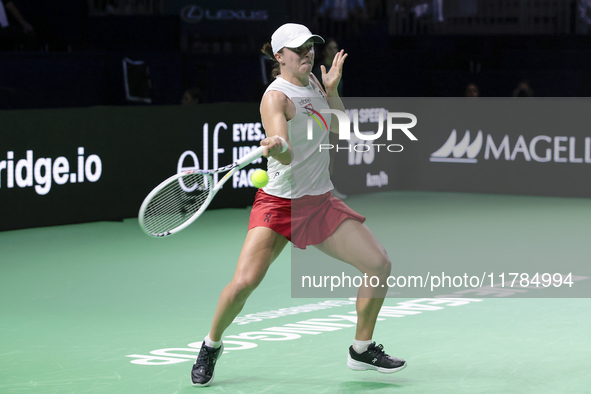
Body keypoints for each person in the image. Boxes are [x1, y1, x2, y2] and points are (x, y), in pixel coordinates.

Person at [190, 23, 406, 387]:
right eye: (298, 49)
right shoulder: (276, 98)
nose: (307, 53)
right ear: (279, 57)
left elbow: (340, 129)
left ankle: (361, 349)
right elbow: (287, 155)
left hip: (319, 202)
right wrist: (277, 145)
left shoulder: (316, 85)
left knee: (379, 264)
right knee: (244, 284)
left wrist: (333, 90)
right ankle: (211, 345)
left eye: (310, 46)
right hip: (279, 204)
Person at [313, 37, 347, 199]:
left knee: (331, 152)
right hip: (319, 119)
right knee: (321, 153)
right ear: (325, 51)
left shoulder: (337, 71)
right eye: (331, 48)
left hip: (334, 116)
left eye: (336, 48)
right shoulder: (316, 72)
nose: (334, 51)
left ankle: (329, 187)